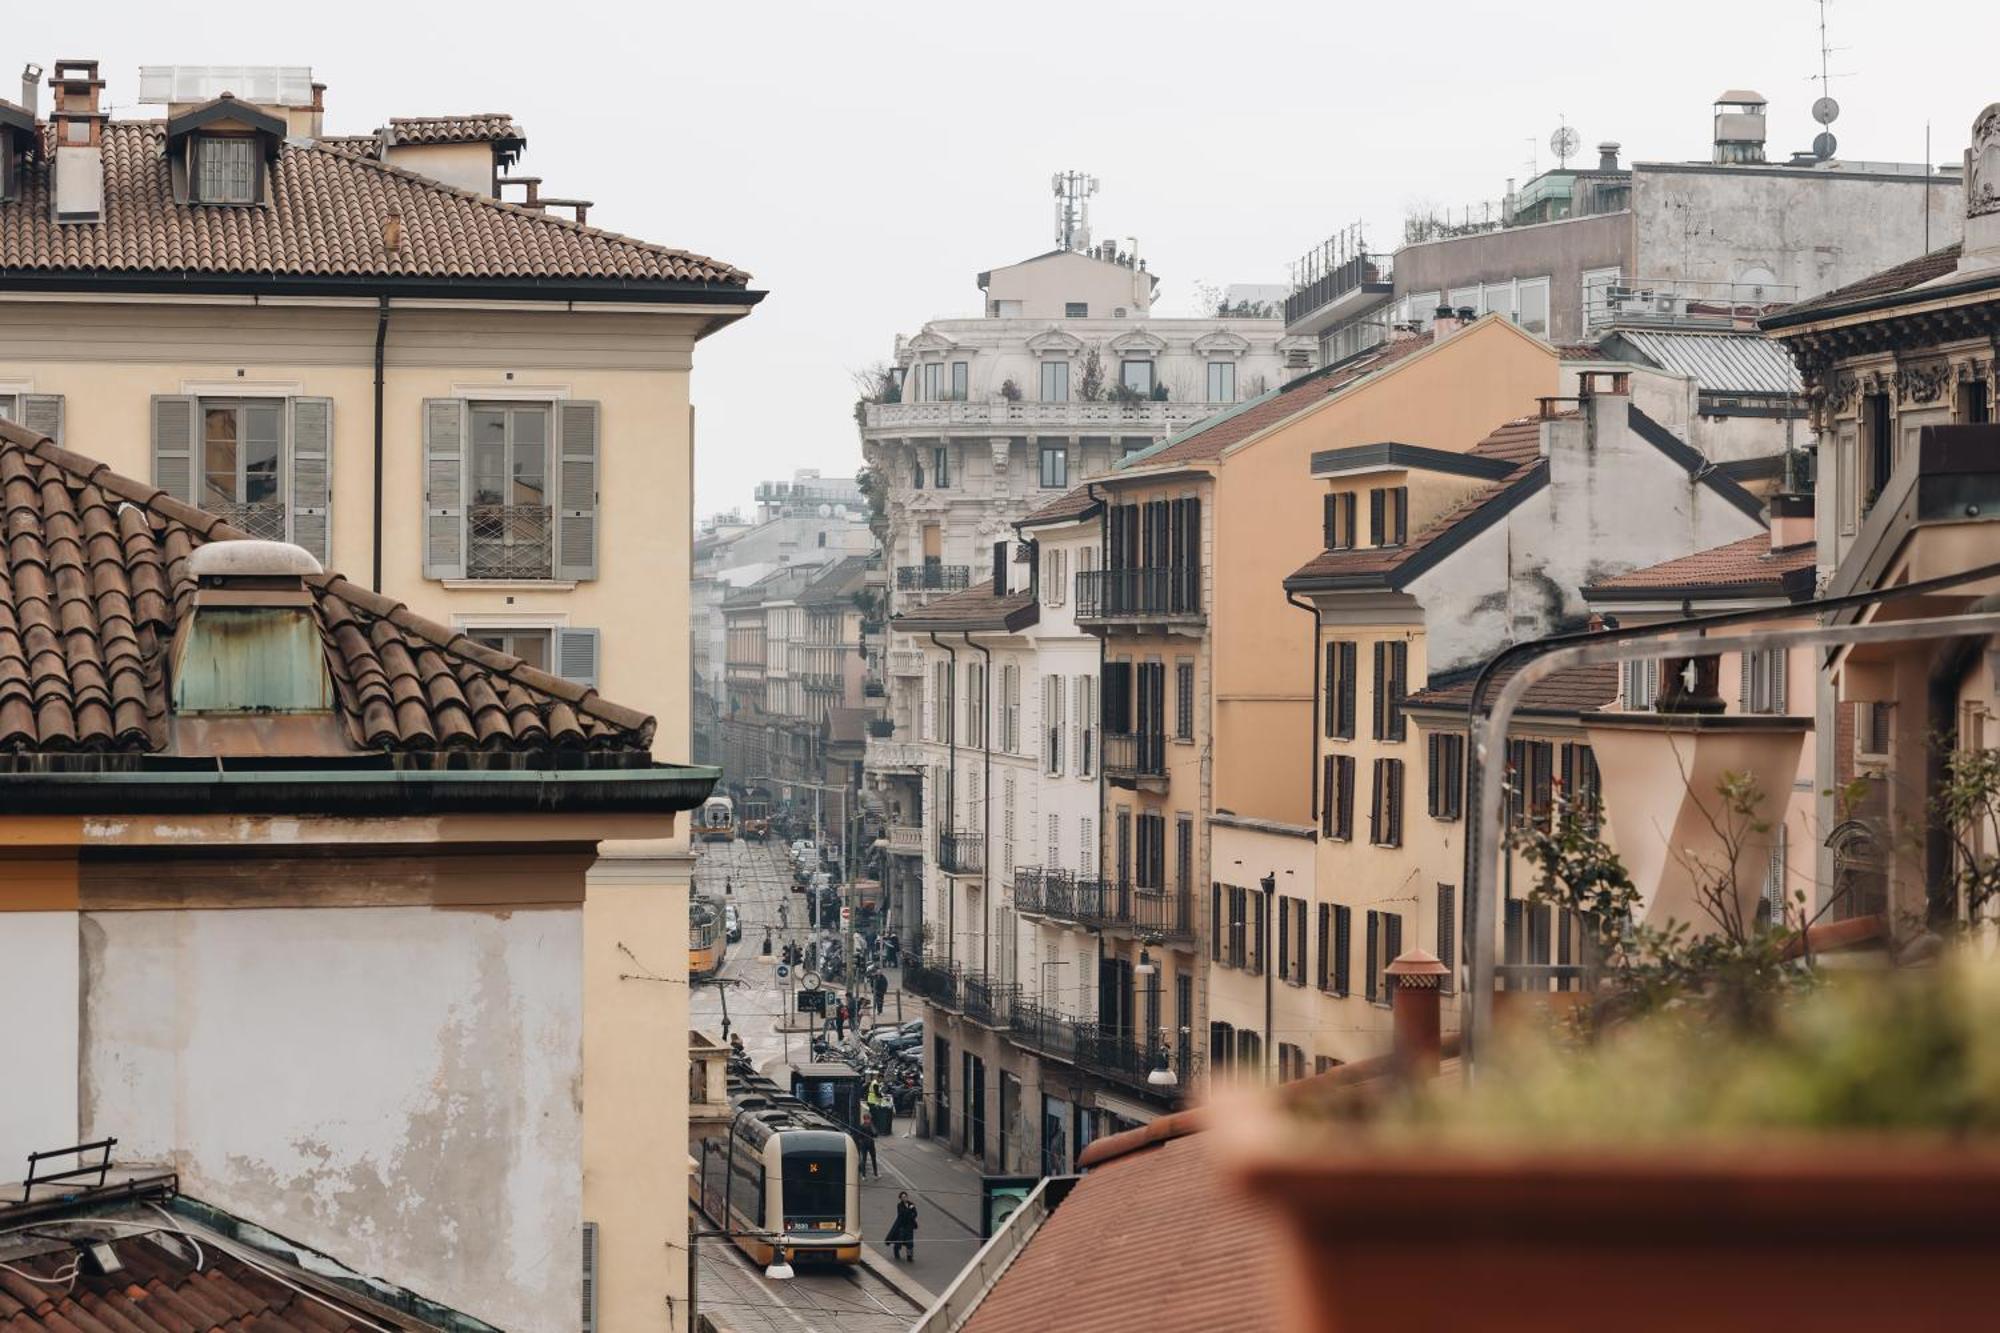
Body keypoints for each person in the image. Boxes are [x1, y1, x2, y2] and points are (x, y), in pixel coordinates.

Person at [886, 1192, 918, 1262]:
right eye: (903, 1197)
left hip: (909, 1226)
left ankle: (909, 1256)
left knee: (910, 1242)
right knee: (899, 1241)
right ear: (900, 1198)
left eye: (905, 1196)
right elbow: (902, 1214)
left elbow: (915, 1213)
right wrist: (909, 1210)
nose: (904, 1198)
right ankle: (896, 1251)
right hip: (902, 1226)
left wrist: (910, 1214)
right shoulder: (899, 1205)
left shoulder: (911, 1204)